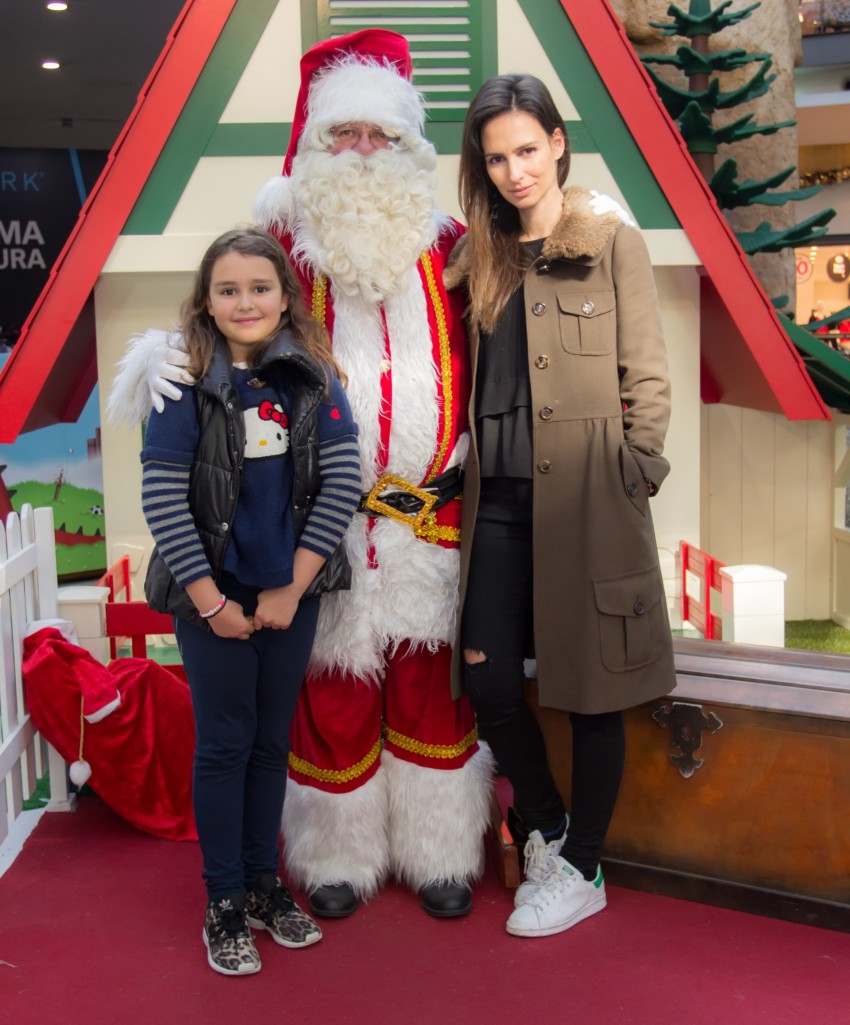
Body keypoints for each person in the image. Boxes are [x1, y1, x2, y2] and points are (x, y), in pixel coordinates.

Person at [111, 30, 493, 920]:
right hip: (321, 522)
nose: (362, 151)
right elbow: (225, 311)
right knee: (330, 690)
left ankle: (439, 849)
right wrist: (161, 357)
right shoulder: (284, 249)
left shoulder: (453, 249)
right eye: (343, 134)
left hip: (431, 521)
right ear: (314, 146)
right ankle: (336, 855)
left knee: (431, 686)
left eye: (381, 135)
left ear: (408, 147)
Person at [444, 74, 676, 938]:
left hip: (589, 504)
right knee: (487, 678)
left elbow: (647, 373)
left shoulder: (612, 243)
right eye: (496, 158)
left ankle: (585, 868)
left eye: (527, 150)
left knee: (591, 689)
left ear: (558, 144)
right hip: (497, 503)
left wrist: (634, 475)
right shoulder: (477, 258)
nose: (515, 171)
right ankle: (545, 826)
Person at [137, 227, 361, 975]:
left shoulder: (314, 375)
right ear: (207, 300)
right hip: (213, 596)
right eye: (227, 290)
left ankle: (265, 884)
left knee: (271, 743)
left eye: (259, 288)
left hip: (289, 592)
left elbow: (342, 481)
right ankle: (225, 899)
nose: (245, 302)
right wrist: (210, 602)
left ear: (284, 297)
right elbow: (163, 496)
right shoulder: (182, 379)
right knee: (225, 744)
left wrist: (292, 588)